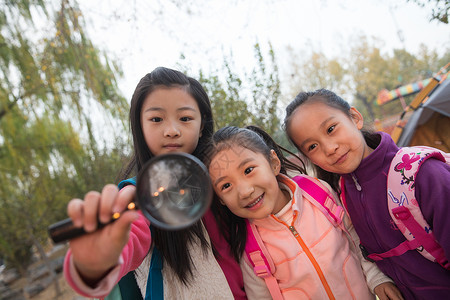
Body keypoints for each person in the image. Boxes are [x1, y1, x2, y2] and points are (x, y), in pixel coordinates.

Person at [63, 67, 247, 299]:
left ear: (202, 125)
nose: (171, 130)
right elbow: (127, 239)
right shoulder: (136, 195)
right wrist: (96, 262)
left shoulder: (222, 177)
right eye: (156, 119)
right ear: (140, 126)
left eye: (185, 118)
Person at [283, 88, 450, 299]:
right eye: (313, 146)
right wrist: (380, 280)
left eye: (331, 129)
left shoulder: (422, 174)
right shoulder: (343, 194)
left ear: (355, 118)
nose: (329, 148)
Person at [206, 125, 402, 300]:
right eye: (226, 186)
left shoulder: (316, 193)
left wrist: (377, 278)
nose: (245, 191)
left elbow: (355, 238)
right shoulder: (250, 248)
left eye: (248, 170)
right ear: (220, 199)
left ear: (273, 163)